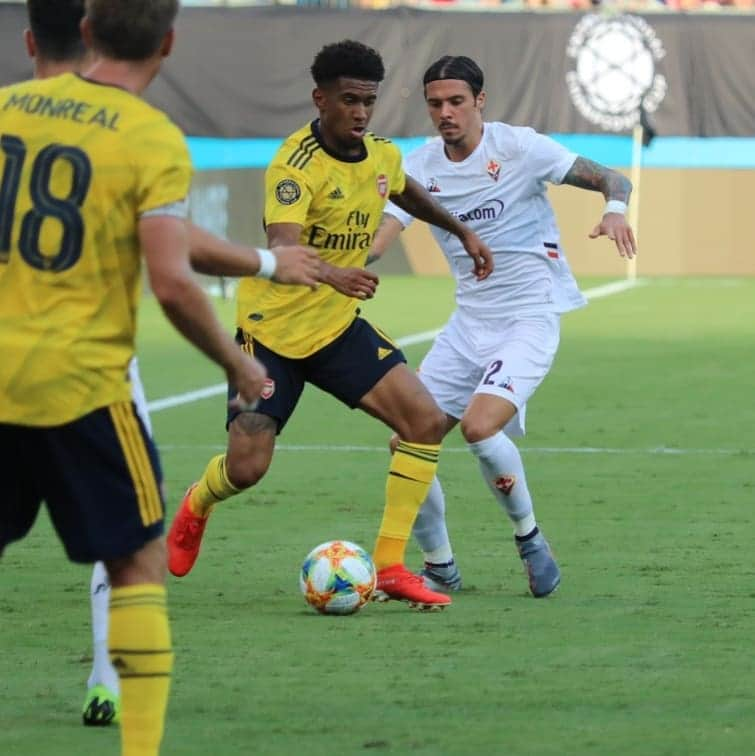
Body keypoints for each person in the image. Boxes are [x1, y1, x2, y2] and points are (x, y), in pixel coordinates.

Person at [17, 0, 321, 729]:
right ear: (172, 42)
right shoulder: (147, 135)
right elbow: (171, 277)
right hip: (82, 384)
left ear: (86, 34)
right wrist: (237, 365)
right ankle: (130, 725)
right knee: (136, 556)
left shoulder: (13, 110)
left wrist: (262, 262)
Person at [166, 39, 494, 611]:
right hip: (271, 334)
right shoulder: (294, 168)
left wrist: (462, 231)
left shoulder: (382, 155)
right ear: (321, 99)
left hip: (336, 329)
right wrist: (337, 274)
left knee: (424, 421)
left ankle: (391, 566)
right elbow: (282, 247)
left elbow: (408, 193)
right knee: (247, 469)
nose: (361, 113)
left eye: (368, 101)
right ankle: (197, 503)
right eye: (349, 101)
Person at [371, 55, 637, 597]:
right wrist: (338, 261)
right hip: (468, 325)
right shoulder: (418, 167)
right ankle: (440, 564)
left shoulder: (518, 147)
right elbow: (383, 233)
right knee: (407, 443)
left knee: (478, 426)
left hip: (529, 317)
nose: (445, 113)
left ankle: (530, 539)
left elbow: (612, 175)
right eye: (435, 104)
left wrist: (614, 208)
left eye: (456, 102)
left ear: (480, 102)